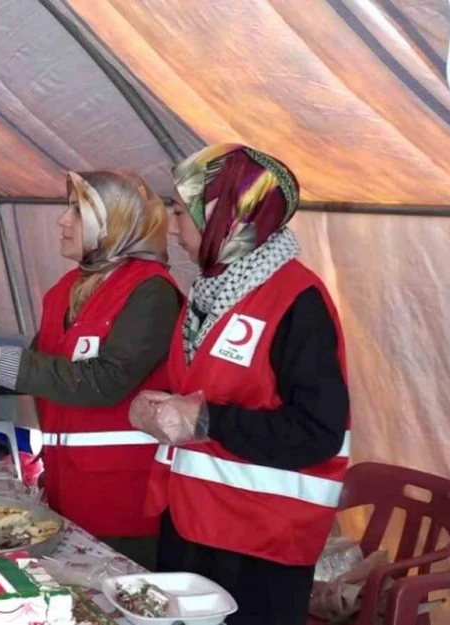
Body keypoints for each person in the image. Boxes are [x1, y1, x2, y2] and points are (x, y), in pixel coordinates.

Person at [130, 144, 350, 624]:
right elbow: (200, 392)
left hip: (259, 542)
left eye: (182, 212)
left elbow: (318, 432)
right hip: (194, 523)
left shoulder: (297, 301)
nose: (171, 227)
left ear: (230, 215)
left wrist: (206, 419)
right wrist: (159, 410)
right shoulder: (210, 290)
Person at [0, 170, 182, 568]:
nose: (62, 220)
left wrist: (6, 365)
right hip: (65, 486)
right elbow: (45, 368)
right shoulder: (66, 291)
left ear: (115, 223)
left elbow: (106, 381)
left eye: (78, 210)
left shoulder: (151, 291)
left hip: (125, 499)